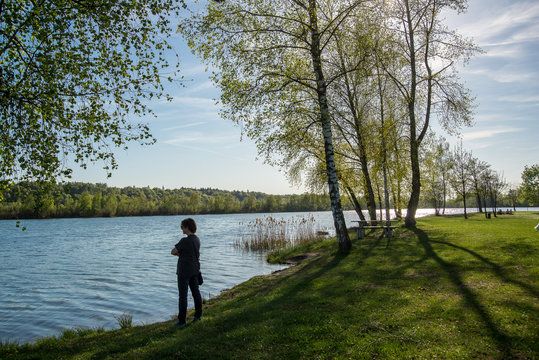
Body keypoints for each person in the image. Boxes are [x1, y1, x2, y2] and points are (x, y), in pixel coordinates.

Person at [171, 218, 202, 326]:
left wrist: (180, 254)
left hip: (184, 271)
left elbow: (173, 251)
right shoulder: (197, 239)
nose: (182, 229)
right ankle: (198, 316)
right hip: (194, 270)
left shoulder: (184, 240)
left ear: (187, 227)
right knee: (196, 293)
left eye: (182, 227)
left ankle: (182, 321)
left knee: (183, 296)